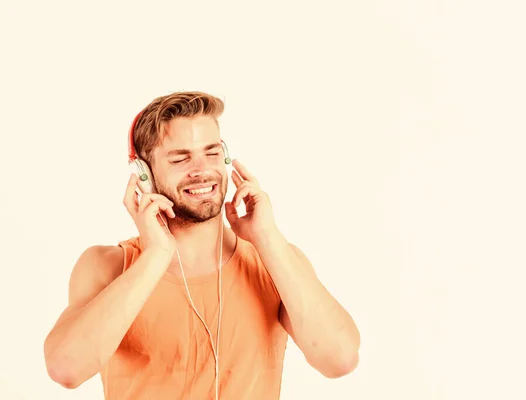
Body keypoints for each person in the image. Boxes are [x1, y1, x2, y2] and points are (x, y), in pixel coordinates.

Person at [43, 91, 361, 399]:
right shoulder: (107, 265)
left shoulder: (274, 259)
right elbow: (66, 369)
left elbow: (340, 360)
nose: (202, 170)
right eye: (180, 158)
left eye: (211, 152)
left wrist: (266, 236)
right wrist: (157, 254)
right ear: (144, 175)